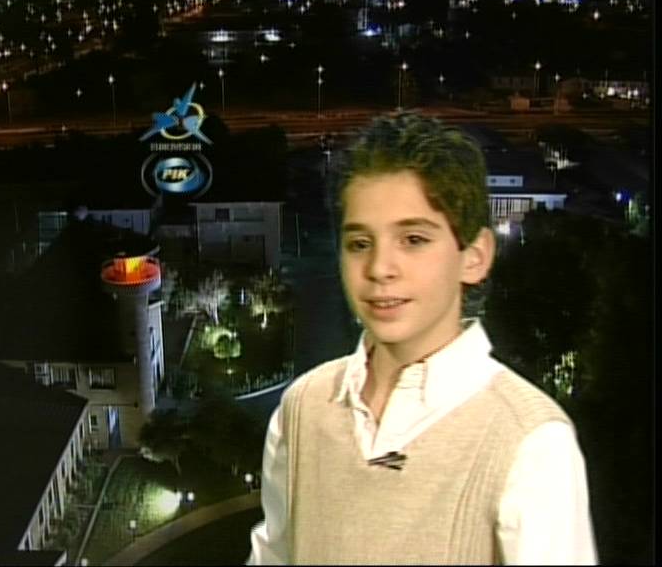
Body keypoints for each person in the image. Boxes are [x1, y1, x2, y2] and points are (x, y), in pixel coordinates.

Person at [247, 113, 597, 565]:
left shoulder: (532, 441)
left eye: (413, 239)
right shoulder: (302, 406)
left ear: (474, 257)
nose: (379, 269)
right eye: (360, 243)